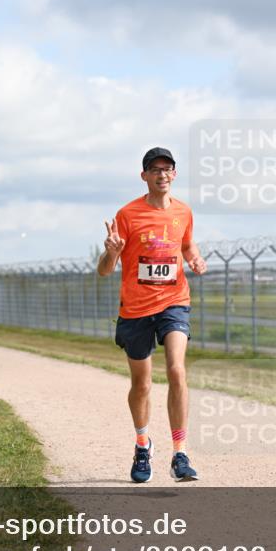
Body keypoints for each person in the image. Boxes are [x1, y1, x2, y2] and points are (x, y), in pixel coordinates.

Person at [97, 147, 207, 483]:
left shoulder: (184, 212)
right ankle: (143, 445)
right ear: (144, 175)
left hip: (174, 301)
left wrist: (195, 259)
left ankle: (180, 454)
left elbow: (187, 244)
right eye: (154, 169)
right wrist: (111, 253)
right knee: (142, 384)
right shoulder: (128, 215)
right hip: (135, 309)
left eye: (167, 168)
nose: (162, 174)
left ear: (174, 174)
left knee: (176, 370)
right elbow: (104, 272)